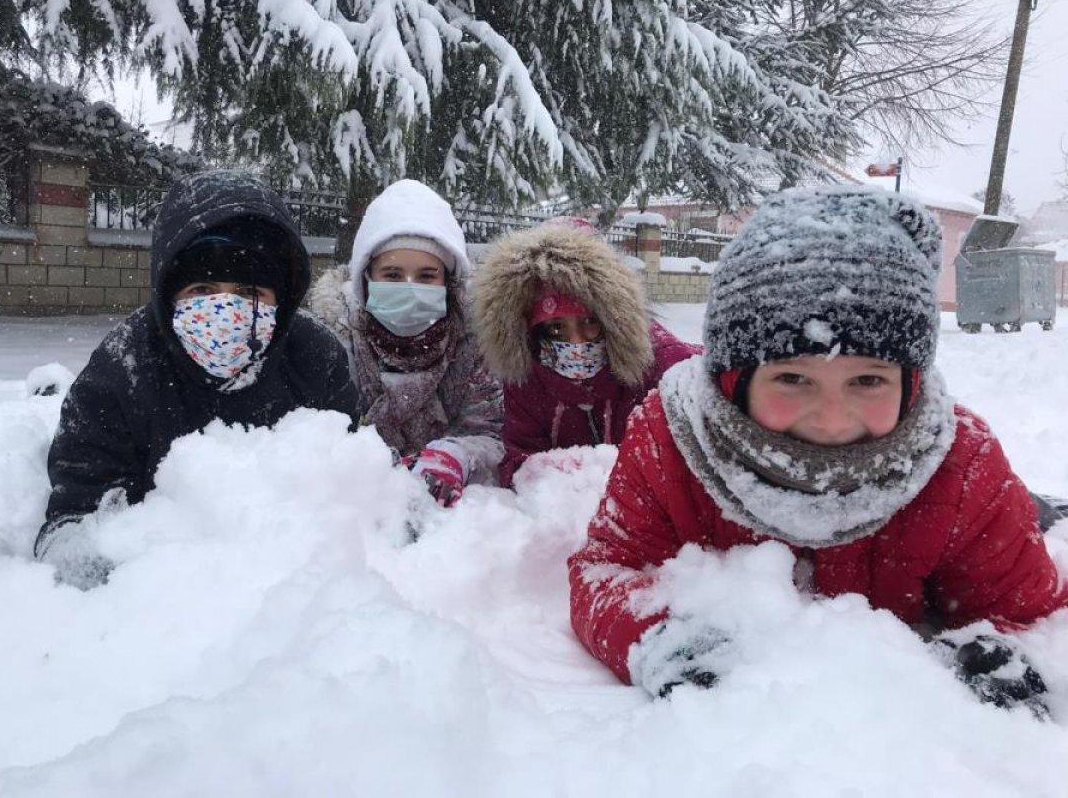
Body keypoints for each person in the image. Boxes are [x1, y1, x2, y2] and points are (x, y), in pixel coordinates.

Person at [568, 187, 1067, 716]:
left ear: (911, 382)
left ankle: (1037, 508)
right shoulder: (670, 439)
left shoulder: (961, 461)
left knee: (1022, 515)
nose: (831, 420)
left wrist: (995, 655)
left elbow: (1030, 611)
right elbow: (605, 569)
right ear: (733, 379)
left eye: (869, 380)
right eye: (792, 378)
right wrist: (656, 638)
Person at [36, 170, 358, 587]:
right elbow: (75, 515)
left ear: (283, 296)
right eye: (203, 289)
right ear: (168, 291)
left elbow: (357, 489)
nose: (225, 310)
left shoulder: (314, 358)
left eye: (248, 292)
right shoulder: (123, 368)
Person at [310, 180, 503, 506]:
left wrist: (458, 456)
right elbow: (321, 437)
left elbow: (492, 433)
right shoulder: (336, 340)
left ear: (448, 282)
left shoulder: (475, 343)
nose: (410, 287)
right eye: (393, 275)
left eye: (427, 276)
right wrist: (368, 463)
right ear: (367, 278)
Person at [472, 218, 698, 488]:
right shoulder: (527, 378)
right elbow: (520, 461)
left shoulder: (659, 364)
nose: (576, 342)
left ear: (613, 320)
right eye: (556, 328)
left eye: (589, 322)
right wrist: (562, 474)